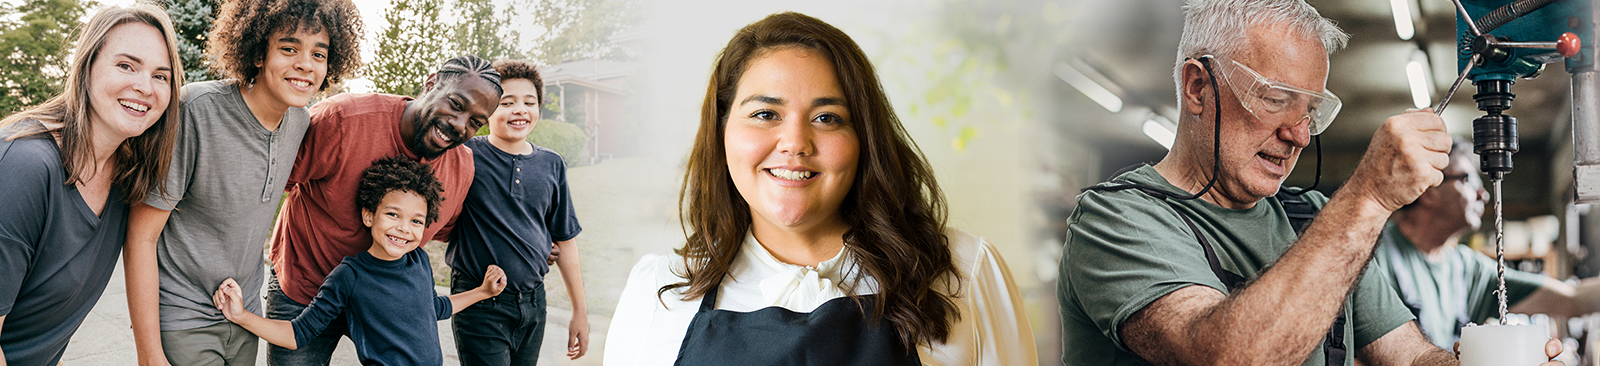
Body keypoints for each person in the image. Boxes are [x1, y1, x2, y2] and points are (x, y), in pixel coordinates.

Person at [1056, 0, 1563, 365]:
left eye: (1311, 111)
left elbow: (1409, 356)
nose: (1298, 134)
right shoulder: (1116, 220)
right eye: (1276, 99)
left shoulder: (1315, 222)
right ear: (1197, 87)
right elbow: (1230, 359)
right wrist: (1368, 197)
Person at [605, 12, 1036, 365]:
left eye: (827, 117)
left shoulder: (964, 271)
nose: (795, 143)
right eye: (765, 114)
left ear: (864, 138)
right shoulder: (660, 290)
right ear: (721, 132)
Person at [122, 0, 363, 364]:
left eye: (319, 53)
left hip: (244, 313)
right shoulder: (196, 110)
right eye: (288, 48)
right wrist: (148, 353)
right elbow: (140, 236)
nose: (305, 64)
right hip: (183, 317)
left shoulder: (299, 122)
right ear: (257, 54)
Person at [265, 55, 500, 365]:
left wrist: (535, 237)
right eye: (456, 104)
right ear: (430, 83)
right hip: (305, 288)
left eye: (474, 122)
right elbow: (268, 182)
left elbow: (450, 231)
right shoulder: (343, 118)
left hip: (384, 306)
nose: (459, 125)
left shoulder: (460, 167)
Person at [0, 4, 183, 365]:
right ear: (86, 67)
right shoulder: (23, 167)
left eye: (161, 76)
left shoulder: (125, 174)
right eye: (126, 65)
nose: (144, 87)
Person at [214, 156, 507, 365]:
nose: (404, 228)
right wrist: (241, 315)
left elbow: (434, 308)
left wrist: (483, 292)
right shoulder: (350, 275)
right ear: (369, 215)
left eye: (416, 221)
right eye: (393, 214)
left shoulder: (418, 261)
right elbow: (298, 333)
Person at [1375, 137, 1600, 349]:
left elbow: (1570, 301)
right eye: (1467, 179)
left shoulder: (1467, 269)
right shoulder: (1372, 257)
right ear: (1428, 188)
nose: (1483, 195)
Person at [448, 59, 588, 364]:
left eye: (529, 102)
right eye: (507, 102)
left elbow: (564, 240)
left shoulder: (552, 164)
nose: (520, 110)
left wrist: (579, 311)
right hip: (481, 304)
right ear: (488, 110)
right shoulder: (466, 154)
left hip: (534, 304)